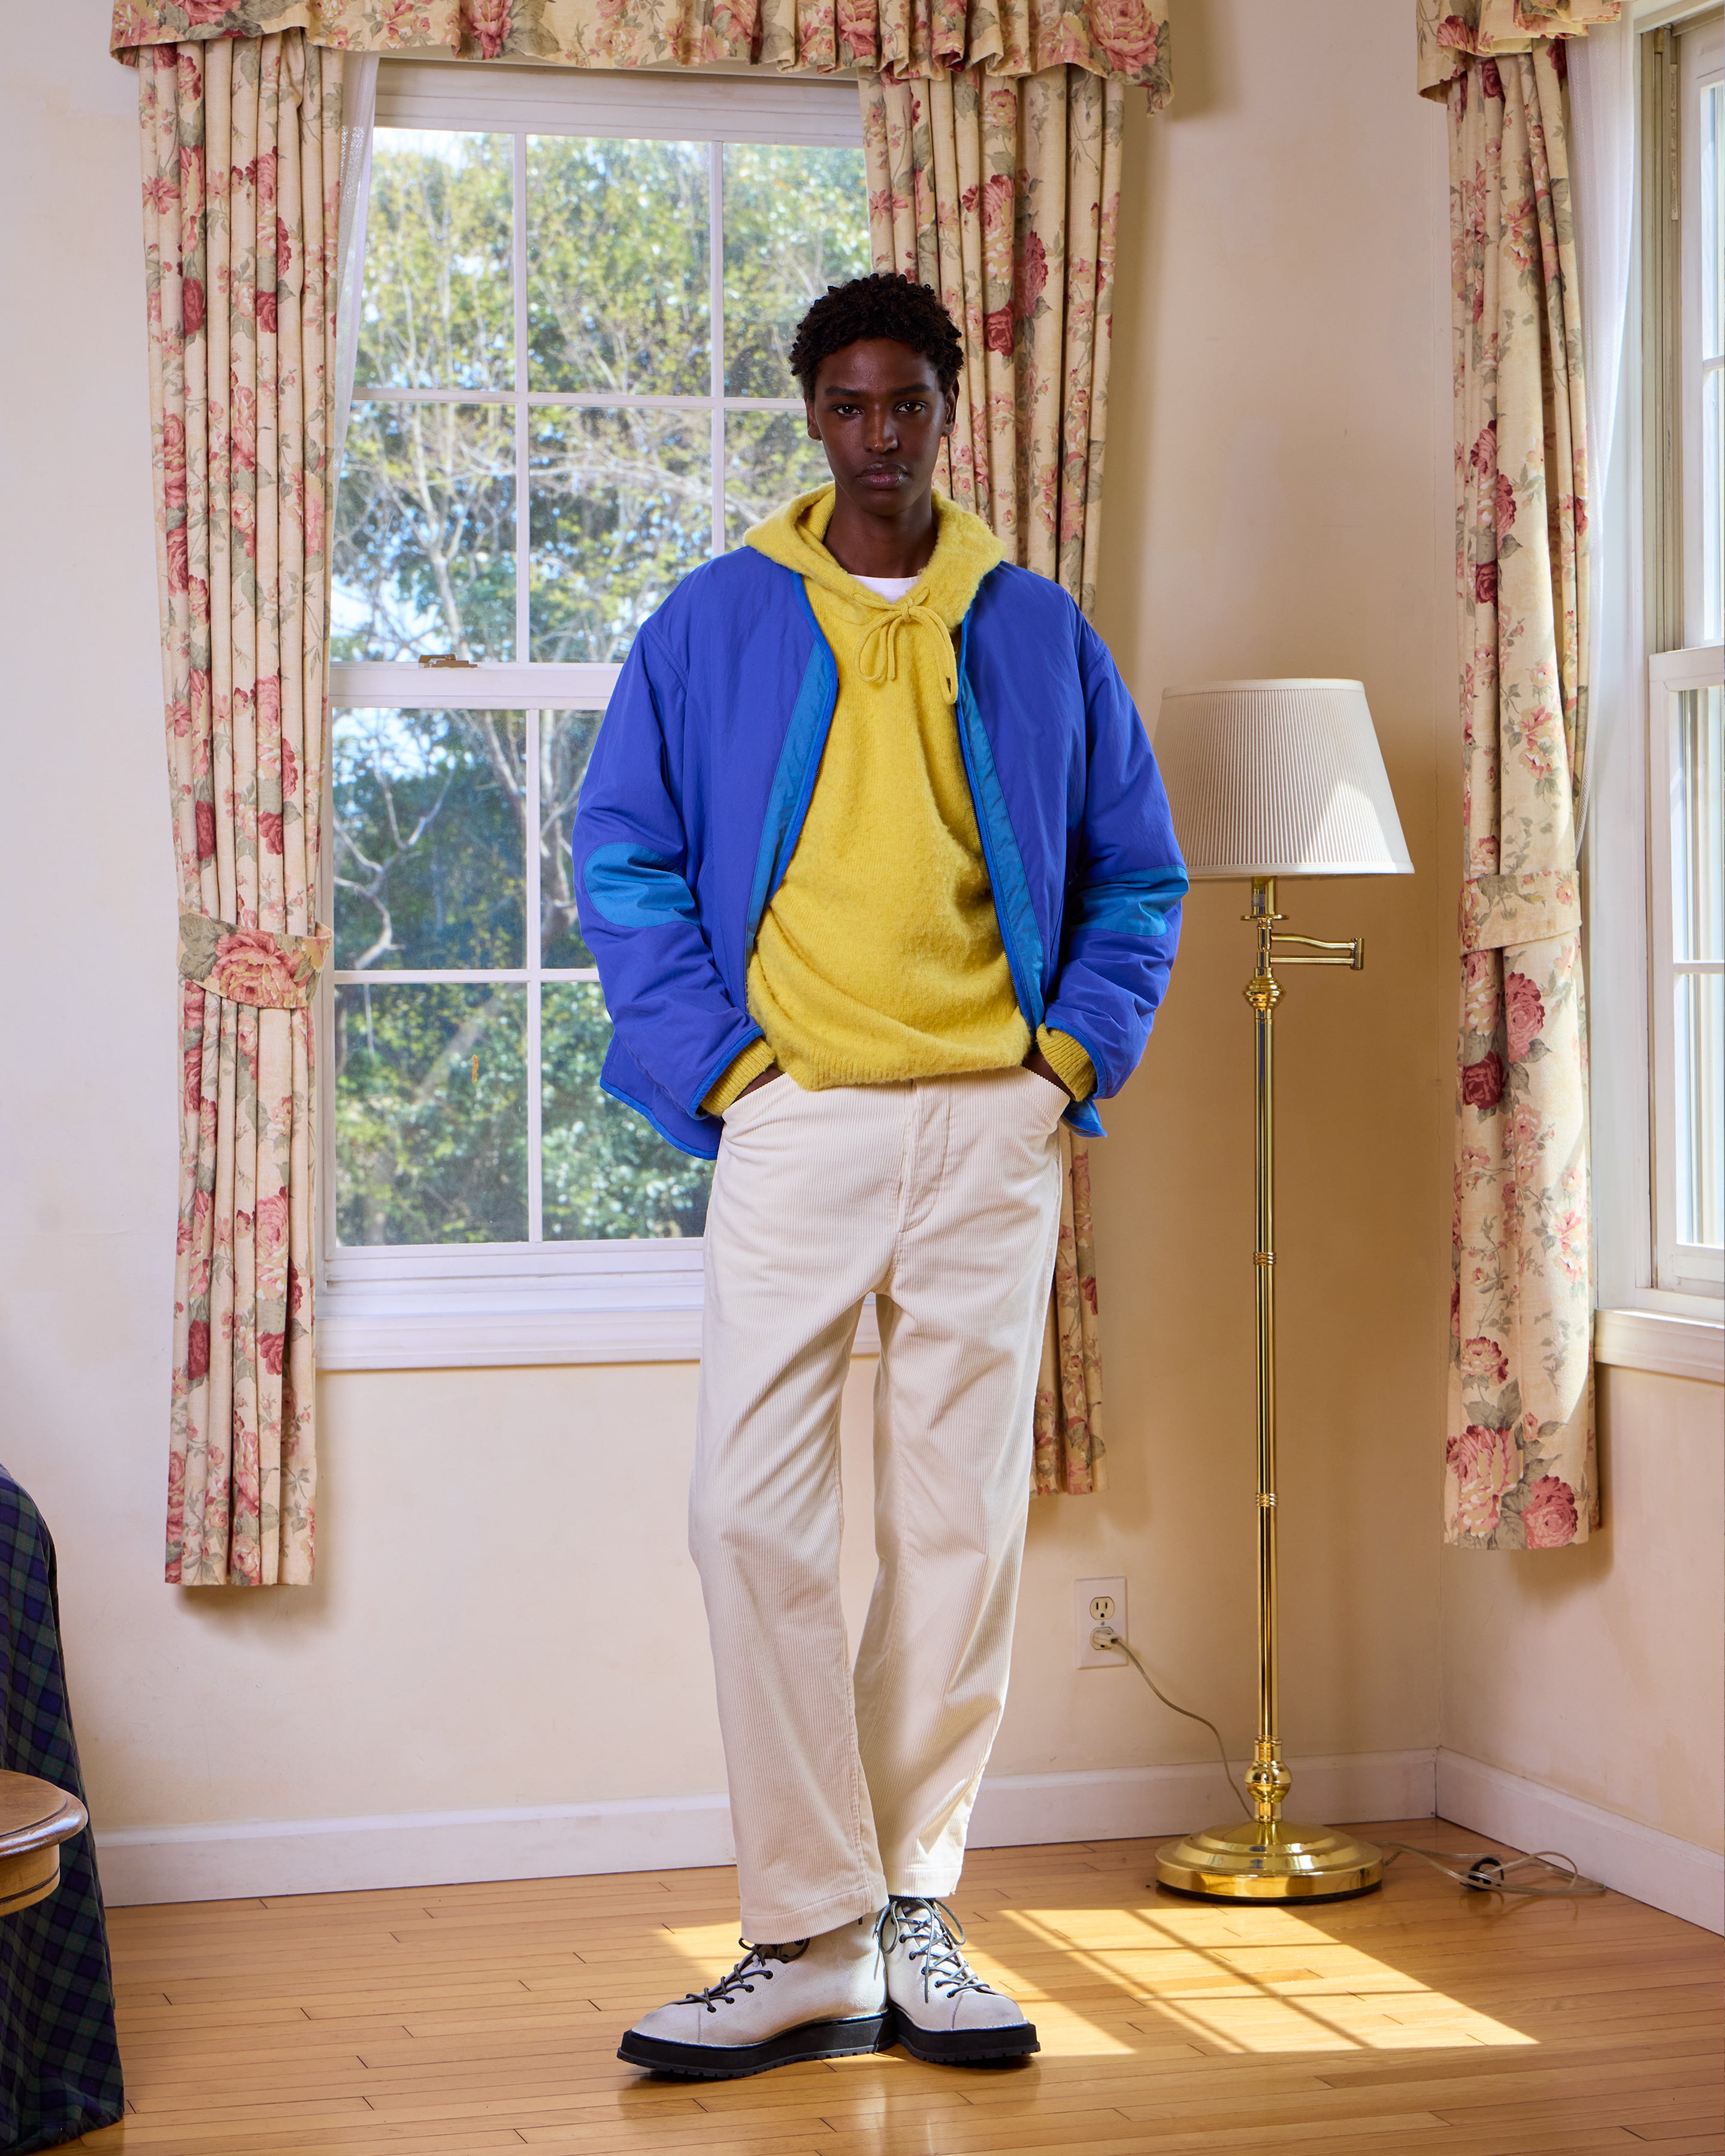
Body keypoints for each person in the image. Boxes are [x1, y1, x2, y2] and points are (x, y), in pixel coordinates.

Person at [574, 272, 1187, 2081]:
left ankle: (910, 1910)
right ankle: (803, 1930)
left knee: (956, 1529)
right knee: (745, 1516)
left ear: (947, 411)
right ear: (813, 418)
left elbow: (1137, 871)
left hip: (991, 1124)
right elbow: (623, 852)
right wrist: (726, 1070)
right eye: (847, 405)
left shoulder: (1037, 627)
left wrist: (1064, 1064)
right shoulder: (714, 622)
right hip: (799, 1117)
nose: (878, 435)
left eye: (906, 402)